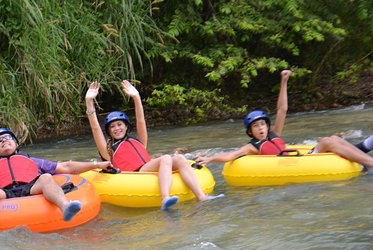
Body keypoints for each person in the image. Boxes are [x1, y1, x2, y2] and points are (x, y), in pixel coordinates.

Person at [195, 70, 373, 170]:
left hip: (303, 159)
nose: (261, 128)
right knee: (329, 141)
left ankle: (365, 156)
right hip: (297, 164)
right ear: (250, 131)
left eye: (262, 124)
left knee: (333, 139)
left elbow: (282, 109)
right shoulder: (252, 147)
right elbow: (230, 156)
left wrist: (284, 82)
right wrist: (210, 159)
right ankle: (369, 162)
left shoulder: (274, 133)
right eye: (256, 126)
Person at [85, 80, 221, 211]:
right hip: (134, 176)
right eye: (112, 127)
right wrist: (89, 101)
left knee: (179, 159)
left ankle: (201, 196)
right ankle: (165, 198)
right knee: (166, 158)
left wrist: (136, 97)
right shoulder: (108, 150)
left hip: (148, 169)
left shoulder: (139, 142)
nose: (117, 128)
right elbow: (95, 128)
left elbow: (140, 120)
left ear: (126, 126)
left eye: (120, 124)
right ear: (109, 131)